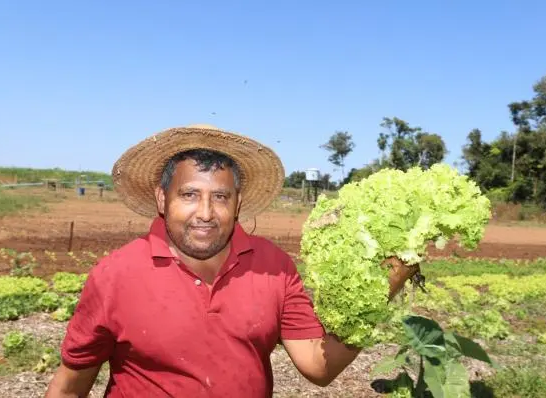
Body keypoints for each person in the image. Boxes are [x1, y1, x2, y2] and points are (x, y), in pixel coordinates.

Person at [45, 124, 414, 397]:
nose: (205, 213)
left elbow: (320, 367)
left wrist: (385, 286)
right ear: (162, 199)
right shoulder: (115, 276)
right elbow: (69, 388)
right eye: (189, 194)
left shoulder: (274, 266)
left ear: (238, 203)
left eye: (220, 197)